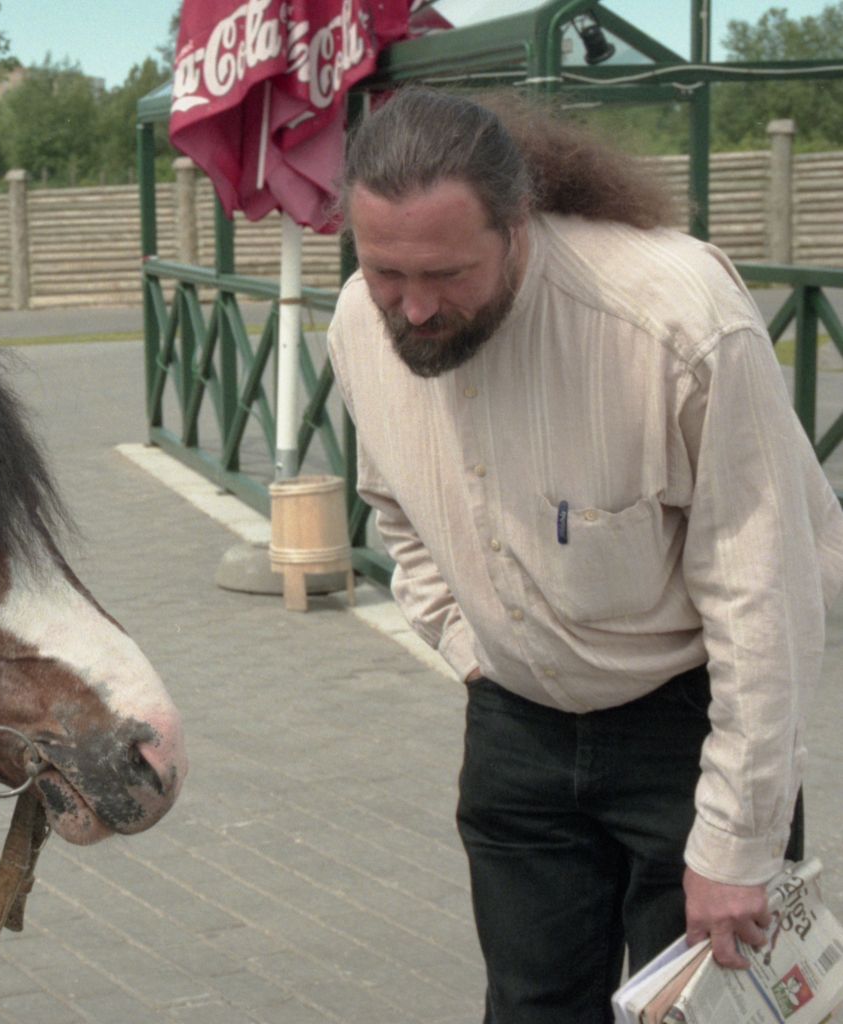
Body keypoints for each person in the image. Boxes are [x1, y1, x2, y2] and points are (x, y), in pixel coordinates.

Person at [325, 88, 843, 1022]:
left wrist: (737, 842)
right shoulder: (358, 324)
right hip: (513, 729)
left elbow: (766, 592)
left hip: (687, 731)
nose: (413, 306)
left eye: (446, 273)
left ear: (519, 223)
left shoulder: (674, 315)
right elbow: (391, 505)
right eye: (383, 271)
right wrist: (469, 649)